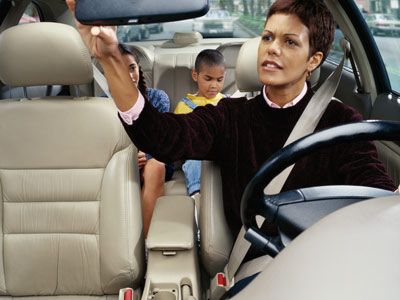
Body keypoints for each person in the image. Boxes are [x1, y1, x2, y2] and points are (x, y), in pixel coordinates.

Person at [66, 0, 396, 241]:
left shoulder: (340, 121)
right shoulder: (231, 116)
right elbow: (162, 136)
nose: (272, 49)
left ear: (314, 60)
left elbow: (374, 193)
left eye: (289, 41)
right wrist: (108, 57)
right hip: (256, 262)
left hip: (323, 257)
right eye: (267, 37)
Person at [119, 43, 173, 237]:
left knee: (156, 166)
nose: (129, 75)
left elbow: (163, 142)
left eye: (132, 68)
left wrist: (146, 155)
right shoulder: (103, 103)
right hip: (121, 163)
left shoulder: (158, 98)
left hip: (154, 158)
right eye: (121, 70)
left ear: (138, 69)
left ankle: (148, 243)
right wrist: (128, 160)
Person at [174, 49, 226, 198]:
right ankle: (197, 195)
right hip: (198, 153)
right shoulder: (184, 106)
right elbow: (182, 141)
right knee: (194, 160)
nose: (214, 85)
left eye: (219, 80)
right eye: (208, 79)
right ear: (195, 75)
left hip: (222, 152)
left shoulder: (227, 103)